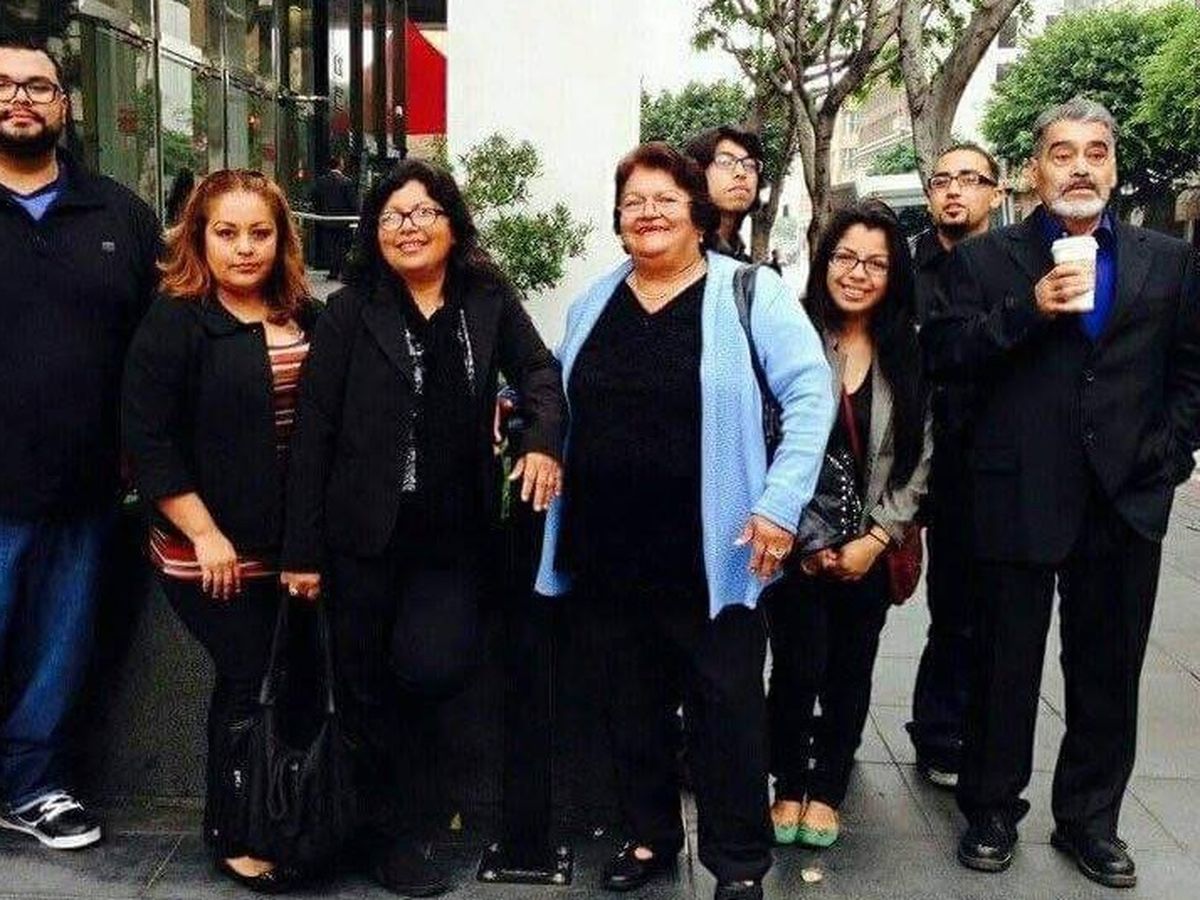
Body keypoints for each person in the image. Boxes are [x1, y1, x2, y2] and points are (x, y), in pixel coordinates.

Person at [535, 142, 834, 900]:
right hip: (608, 548)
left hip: (716, 553)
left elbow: (811, 396)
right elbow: (558, 393)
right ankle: (650, 837)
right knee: (630, 707)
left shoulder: (749, 293)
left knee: (726, 714)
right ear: (617, 219)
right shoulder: (595, 301)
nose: (649, 213)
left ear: (698, 213)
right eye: (633, 202)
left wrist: (778, 504)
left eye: (666, 199)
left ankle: (738, 862)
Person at [925, 98, 1200, 889]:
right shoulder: (986, 261)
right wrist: (1029, 310)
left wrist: (1166, 456)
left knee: (1108, 671)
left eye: (1096, 153)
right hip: (1017, 494)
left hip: (1125, 496)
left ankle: (1090, 821)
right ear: (1032, 170)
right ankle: (990, 810)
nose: (1081, 167)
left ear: (1113, 167)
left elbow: (1190, 371)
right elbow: (947, 358)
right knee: (1001, 663)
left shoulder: (1168, 262)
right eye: (1062, 153)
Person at [279, 159, 565, 897]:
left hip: (452, 537)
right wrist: (302, 551)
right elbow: (314, 432)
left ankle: (394, 811)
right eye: (392, 216)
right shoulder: (350, 311)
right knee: (364, 688)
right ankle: (385, 835)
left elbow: (539, 372)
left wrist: (540, 440)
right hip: (363, 535)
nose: (408, 227)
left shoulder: (485, 300)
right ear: (374, 232)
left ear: (452, 223)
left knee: (431, 666)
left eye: (424, 212)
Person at [122, 169, 316, 892]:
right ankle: (234, 833)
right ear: (198, 238)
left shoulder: (305, 313)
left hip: (290, 548)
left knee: (285, 681)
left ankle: (282, 815)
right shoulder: (176, 320)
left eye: (260, 232)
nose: (244, 248)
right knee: (247, 676)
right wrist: (203, 532)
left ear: (282, 238)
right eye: (227, 233)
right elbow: (148, 438)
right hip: (206, 550)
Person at [0, 39, 160, 851]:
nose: (20, 99)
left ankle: (32, 787)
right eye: (3, 85)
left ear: (65, 104)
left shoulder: (119, 215)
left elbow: (159, 343)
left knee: (57, 653)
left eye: (38, 86)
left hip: (83, 482)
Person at [767, 201, 932, 849]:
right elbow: (768, 436)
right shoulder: (793, 335)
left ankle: (828, 790)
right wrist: (806, 541)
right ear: (824, 261)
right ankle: (787, 784)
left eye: (875, 263)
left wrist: (876, 539)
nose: (857, 274)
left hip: (872, 544)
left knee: (850, 670)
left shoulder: (908, 350)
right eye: (845, 257)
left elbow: (922, 457)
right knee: (796, 666)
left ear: (893, 275)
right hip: (795, 543)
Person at [905, 143, 1004, 788]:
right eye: (942, 180)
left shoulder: (1014, 267)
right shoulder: (904, 266)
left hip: (981, 461)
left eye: (970, 179)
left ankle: (945, 732)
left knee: (967, 607)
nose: (954, 191)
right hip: (906, 457)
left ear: (996, 191)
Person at [685, 124, 764, 261]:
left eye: (750, 165)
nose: (741, 173)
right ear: (697, 172)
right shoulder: (678, 253)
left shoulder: (742, 261)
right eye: (725, 162)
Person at [311, 155, 358, 280]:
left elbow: (315, 198)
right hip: (343, 221)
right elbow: (352, 203)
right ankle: (342, 271)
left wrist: (320, 212)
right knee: (343, 246)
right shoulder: (347, 182)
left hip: (327, 220)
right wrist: (355, 216)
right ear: (340, 165)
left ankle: (333, 271)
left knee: (330, 246)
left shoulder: (321, 181)